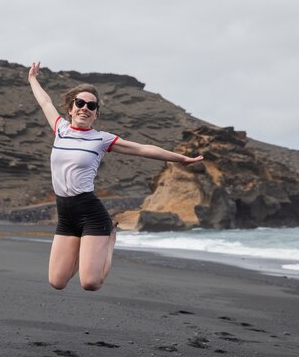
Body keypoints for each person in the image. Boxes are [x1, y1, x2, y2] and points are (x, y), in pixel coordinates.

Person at [28, 61, 203, 292]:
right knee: (57, 282)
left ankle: (109, 239)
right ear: (70, 108)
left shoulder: (101, 139)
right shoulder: (60, 129)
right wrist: (32, 78)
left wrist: (180, 158)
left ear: (96, 114)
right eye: (79, 103)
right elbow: (45, 101)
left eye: (91, 106)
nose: (85, 108)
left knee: (90, 283)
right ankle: (87, 250)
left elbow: (142, 149)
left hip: (91, 213)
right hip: (66, 215)